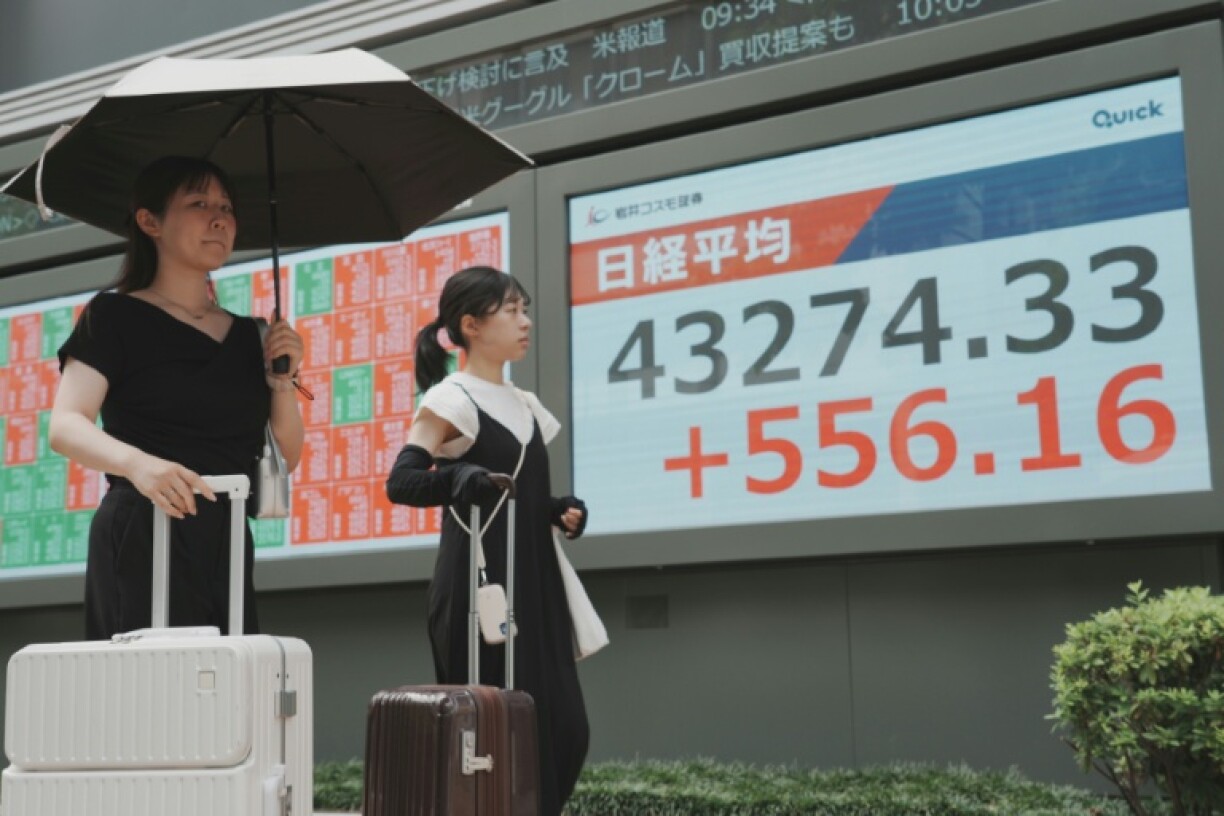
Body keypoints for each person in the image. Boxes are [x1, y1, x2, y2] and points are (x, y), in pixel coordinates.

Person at [49, 155, 305, 640]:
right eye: (199, 202)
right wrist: (140, 466)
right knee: (146, 698)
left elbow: (285, 458)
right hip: (145, 523)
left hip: (226, 536)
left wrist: (282, 383)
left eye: (226, 207)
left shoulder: (254, 335)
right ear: (150, 221)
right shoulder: (113, 316)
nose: (219, 218)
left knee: (227, 697)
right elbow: (65, 426)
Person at [385, 265, 590, 816]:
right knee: (493, 743)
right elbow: (401, 482)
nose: (526, 321)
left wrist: (559, 509)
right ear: (472, 325)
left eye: (525, 309)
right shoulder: (450, 399)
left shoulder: (523, 403)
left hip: (537, 586)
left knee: (565, 732)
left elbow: (516, 492)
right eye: (513, 310)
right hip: (482, 593)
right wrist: (457, 478)